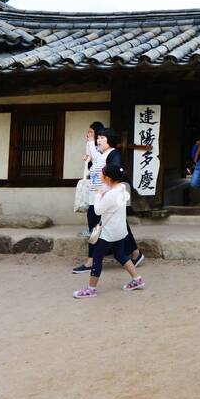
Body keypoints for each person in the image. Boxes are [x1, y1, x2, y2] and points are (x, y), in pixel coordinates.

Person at [73, 128, 145, 273]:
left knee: (96, 226)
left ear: (110, 140)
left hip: (105, 198)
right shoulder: (101, 154)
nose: (98, 140)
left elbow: (115, 170)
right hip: (96, 196)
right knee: (117, 227)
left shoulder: (113, 154)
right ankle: (134, 254)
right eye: (98, 138)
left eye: (102, 138)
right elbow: (95, 164)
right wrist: (89, 150)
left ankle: (91, 261)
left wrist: (107, 191)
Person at [73, 164, 145, 298]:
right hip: (120, 230)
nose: (100, 176)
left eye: (102, 174)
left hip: (108, 233)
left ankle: (91, 289)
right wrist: (103, 191)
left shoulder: (110, 194)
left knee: (97, 258)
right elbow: (110, 191)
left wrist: (98, 195)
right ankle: (137, 279)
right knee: (121, 255)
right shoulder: (122, 187)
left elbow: (98, 210)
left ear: (108, 178)